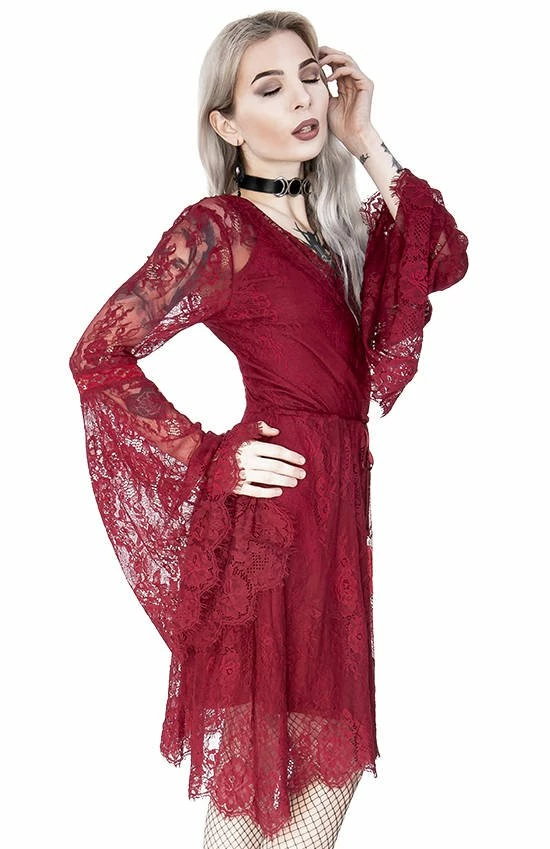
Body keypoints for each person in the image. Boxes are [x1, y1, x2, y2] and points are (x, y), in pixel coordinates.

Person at [68, 9, 469, 849]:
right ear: (227, 123)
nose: (302, 100)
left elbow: (444, 257)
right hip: (273, 533)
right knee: (267, 792)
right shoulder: (220, 232)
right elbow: (98, 355)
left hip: (334, 529)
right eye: (270, 87)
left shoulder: (340, 231)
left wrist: (366, 139)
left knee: (304, 790)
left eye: (309, 78)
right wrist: (214, 457)